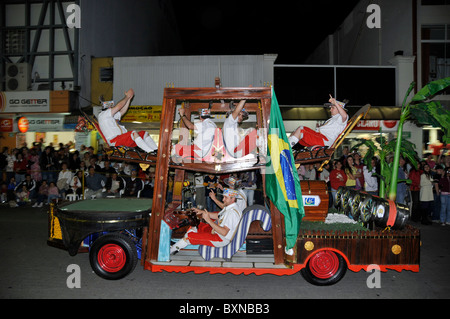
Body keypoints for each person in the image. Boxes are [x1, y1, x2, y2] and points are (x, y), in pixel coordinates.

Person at [169, 188, 243, 254]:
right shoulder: (230, 208)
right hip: (216, 232)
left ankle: (172, 250)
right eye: (223, 197)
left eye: (225, 197)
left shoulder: (231, 213)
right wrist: (201, 212)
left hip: (221, 239)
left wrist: (209, 220)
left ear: (233, 199)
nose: (223, 199)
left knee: (189, 236)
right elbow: (218, 216)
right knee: (196, 225)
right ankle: (179, 245)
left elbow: (224, 232)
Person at [97, 89, 158, 153]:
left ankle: (156, 151)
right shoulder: (103, 115)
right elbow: (119, 106)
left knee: (144, 133)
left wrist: (129, 99)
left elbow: (122, 111)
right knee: (133, 133)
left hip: (123, 139)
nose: (113, 108)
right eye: (112, 107)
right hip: (115, 141)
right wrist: (127, 97)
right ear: (108, 108)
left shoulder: (111, 116)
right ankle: (150, 151)